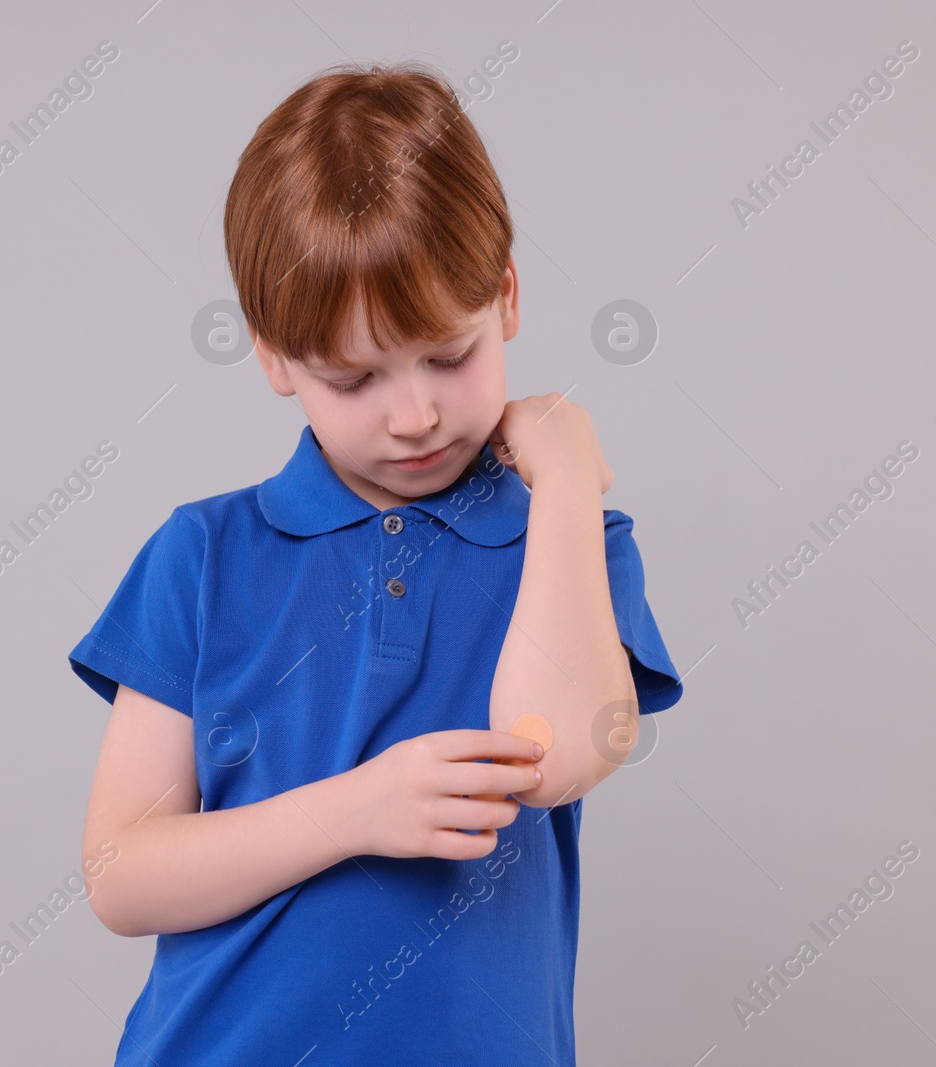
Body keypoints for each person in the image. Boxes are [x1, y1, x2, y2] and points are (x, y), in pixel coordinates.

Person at [67, 60, 683, 1066]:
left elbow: (558, 751)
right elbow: (118, 872)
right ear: (274, 359)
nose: (415, 415)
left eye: (448, 354)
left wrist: (567, 473)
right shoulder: (204, 555)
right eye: (353, 377)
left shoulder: (568, 546)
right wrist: (358, 808)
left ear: (506, 298)